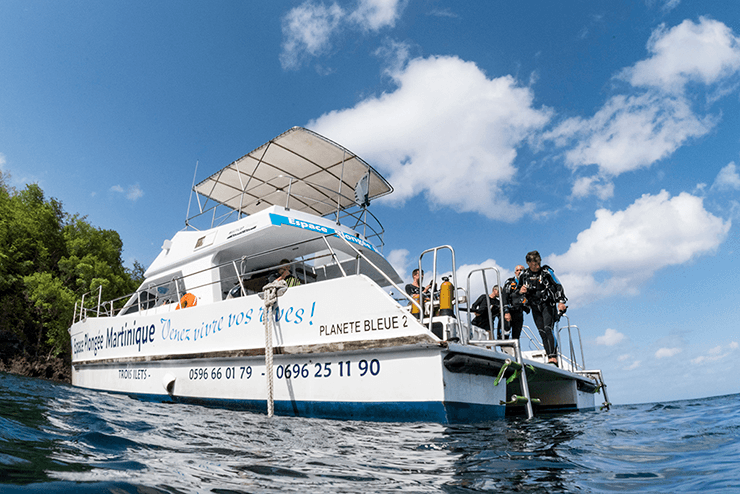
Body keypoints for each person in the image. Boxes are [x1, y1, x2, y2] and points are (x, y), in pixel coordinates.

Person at [518, 251, 567, 366]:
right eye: (534, 264)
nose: (537, 266)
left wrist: (561, 302)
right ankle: (549, 353)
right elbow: (517, 290)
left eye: (538, 263)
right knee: (541, 331)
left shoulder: (546, 272)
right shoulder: (524, 275)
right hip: (535, 306)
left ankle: (553, 357)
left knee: (548, 328)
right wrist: (521, 291)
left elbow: (558, 285)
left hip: (547, 304)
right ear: (528, 263)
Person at [502, 265, 529, 341]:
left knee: (516, 336)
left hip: (519, 312)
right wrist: (506, 311)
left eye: (521, 270)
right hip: (510, 311)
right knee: (505, 333)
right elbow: (504, 296)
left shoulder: (527, 283)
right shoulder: (510, 282)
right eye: (518, 270)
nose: (519, 272)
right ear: (515, 272)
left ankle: (514, 351)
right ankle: (504, 351)